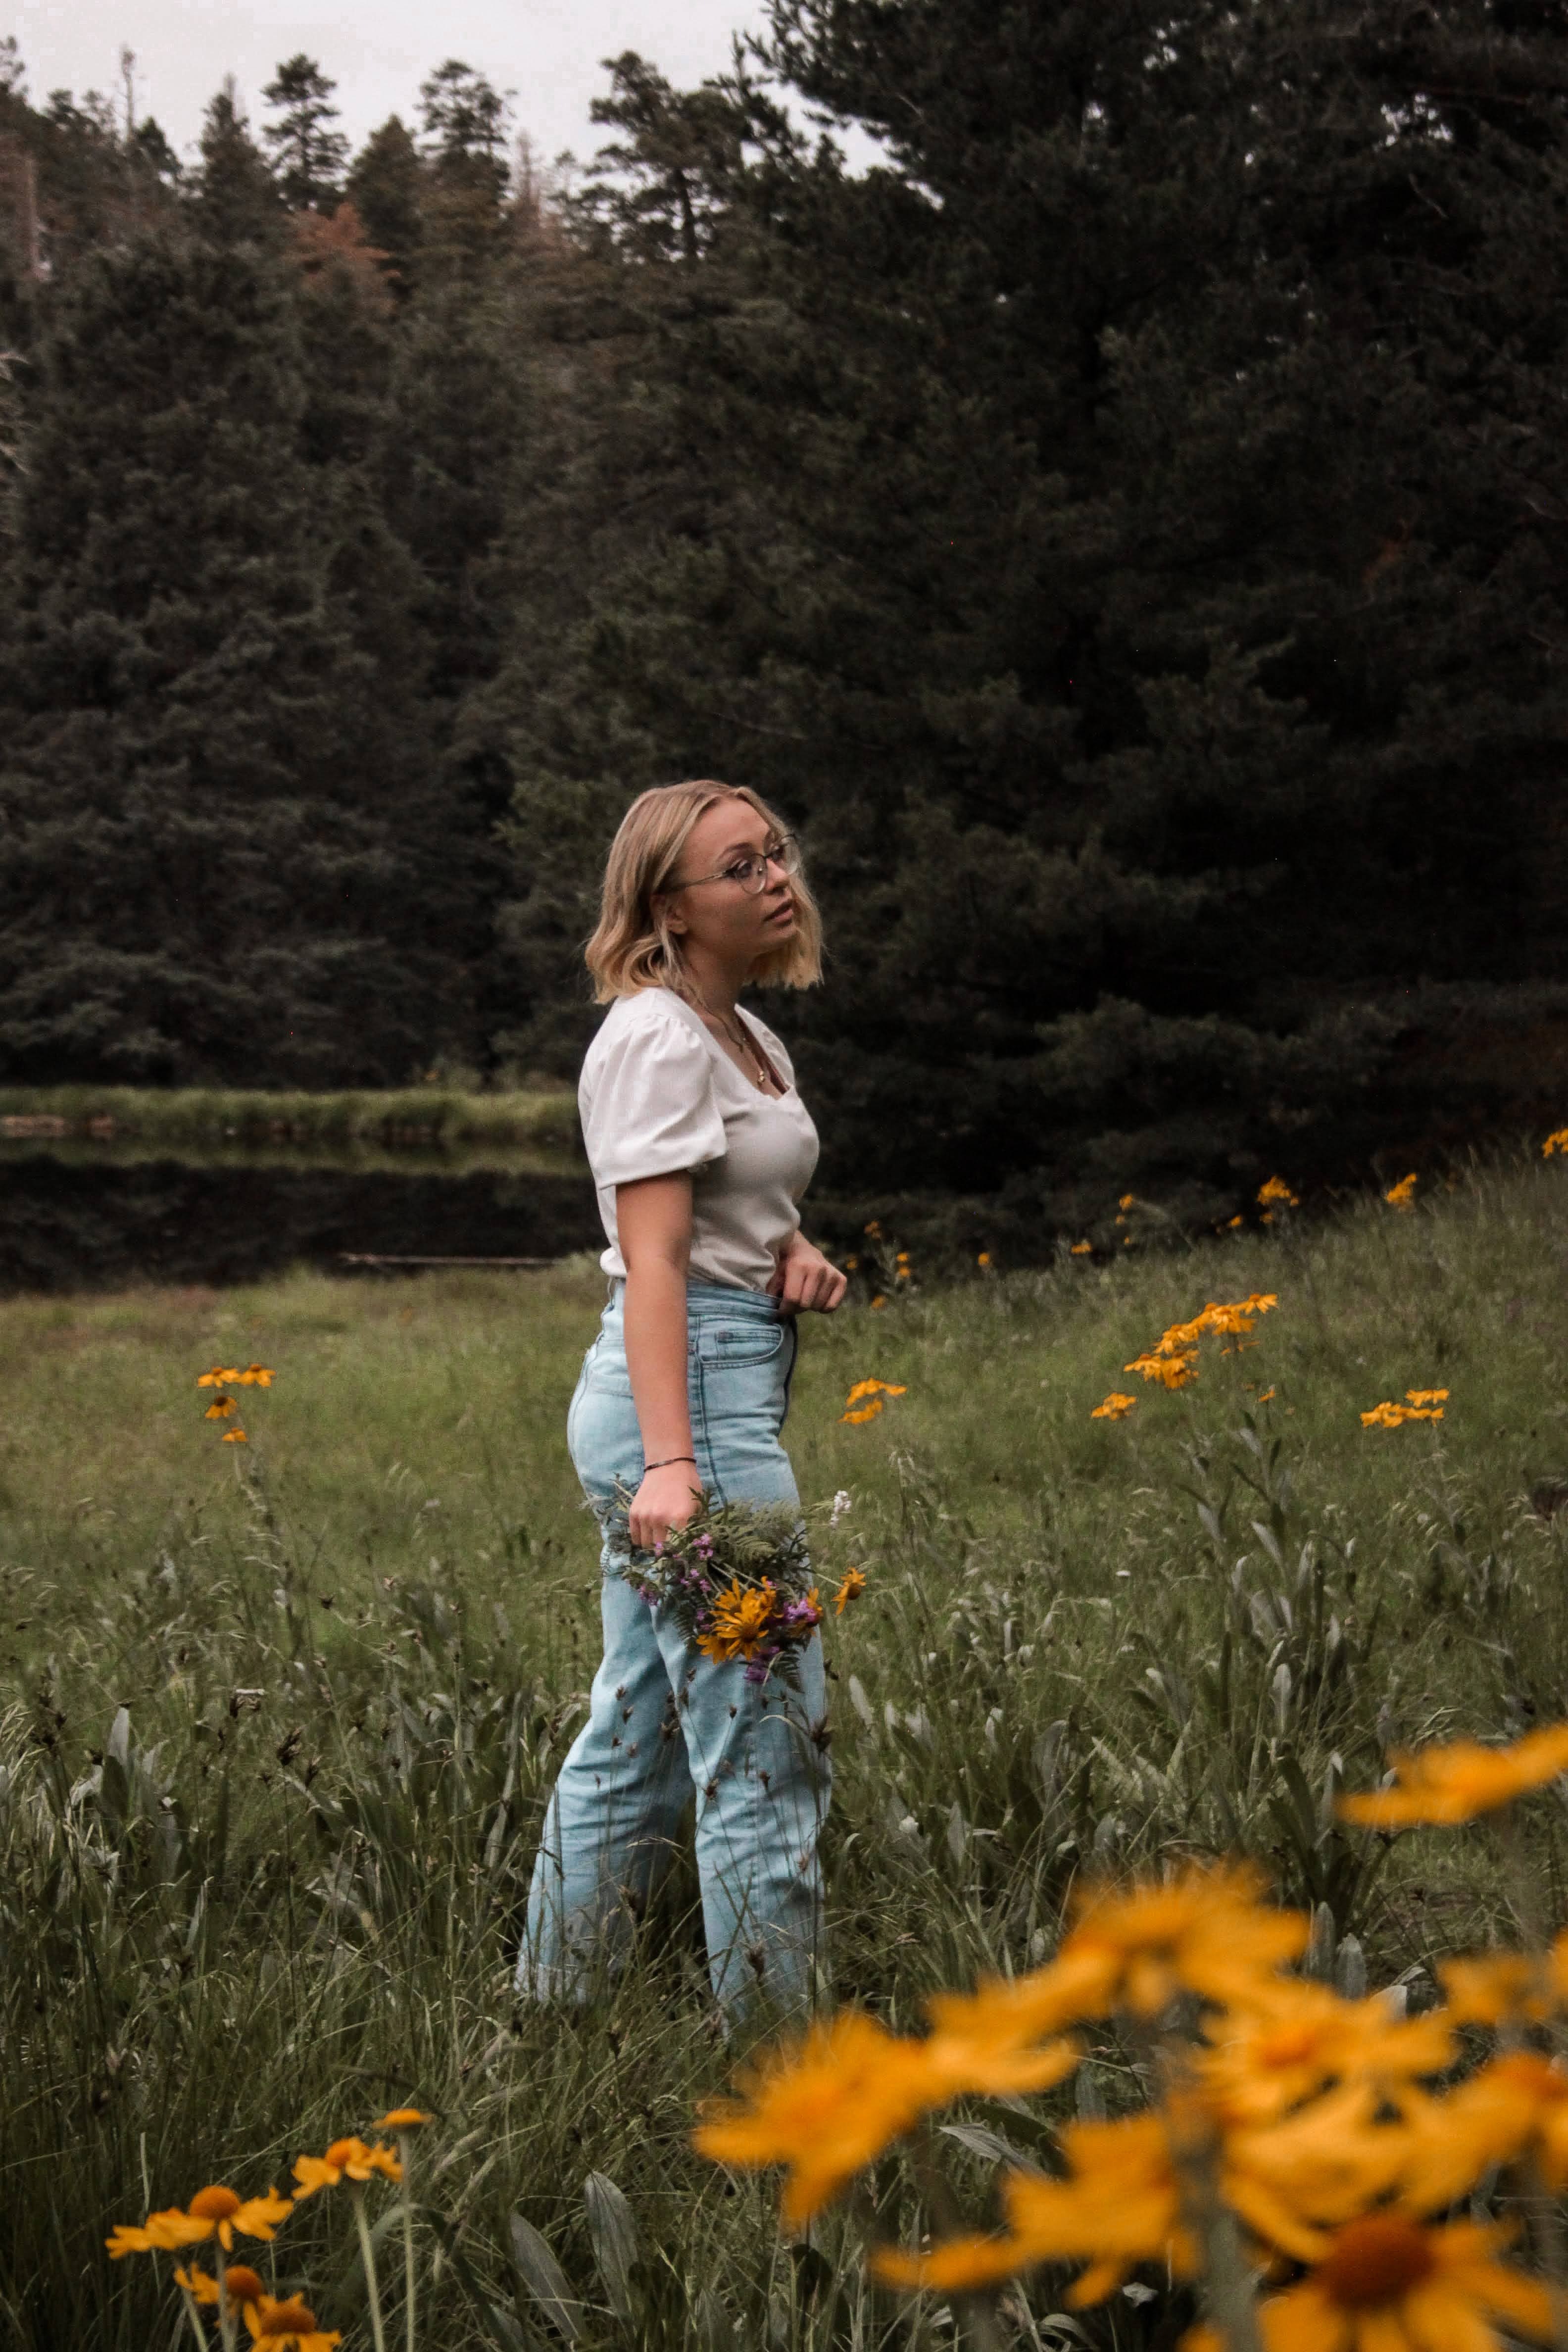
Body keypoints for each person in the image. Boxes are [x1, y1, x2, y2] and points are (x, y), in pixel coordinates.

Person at [518, 779, 846, 2018]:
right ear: (668, 903)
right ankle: (783, 2080)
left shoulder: (747, 1035)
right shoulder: (655, 1033)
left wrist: (788, 1251)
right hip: (687, 1402)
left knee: (643, 1729)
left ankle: (557, 2017)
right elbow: (650, 1258)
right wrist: (671, 1463)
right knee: (763, 1739)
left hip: (714, 1373)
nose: (775, 878)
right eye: (739, 866)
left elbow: (724, 1216)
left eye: (777, 851)